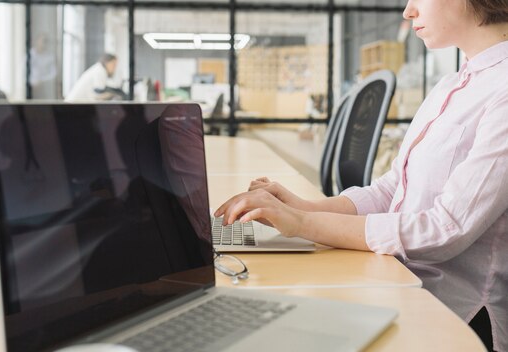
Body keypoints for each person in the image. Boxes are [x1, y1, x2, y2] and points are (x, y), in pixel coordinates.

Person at [214, 1, 508, 351]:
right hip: (395, 278)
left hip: (453, 315)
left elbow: (446, 228)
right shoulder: (450, 86)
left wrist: (304, 224)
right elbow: (392, 189)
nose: (408, 11)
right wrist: (302, 208)